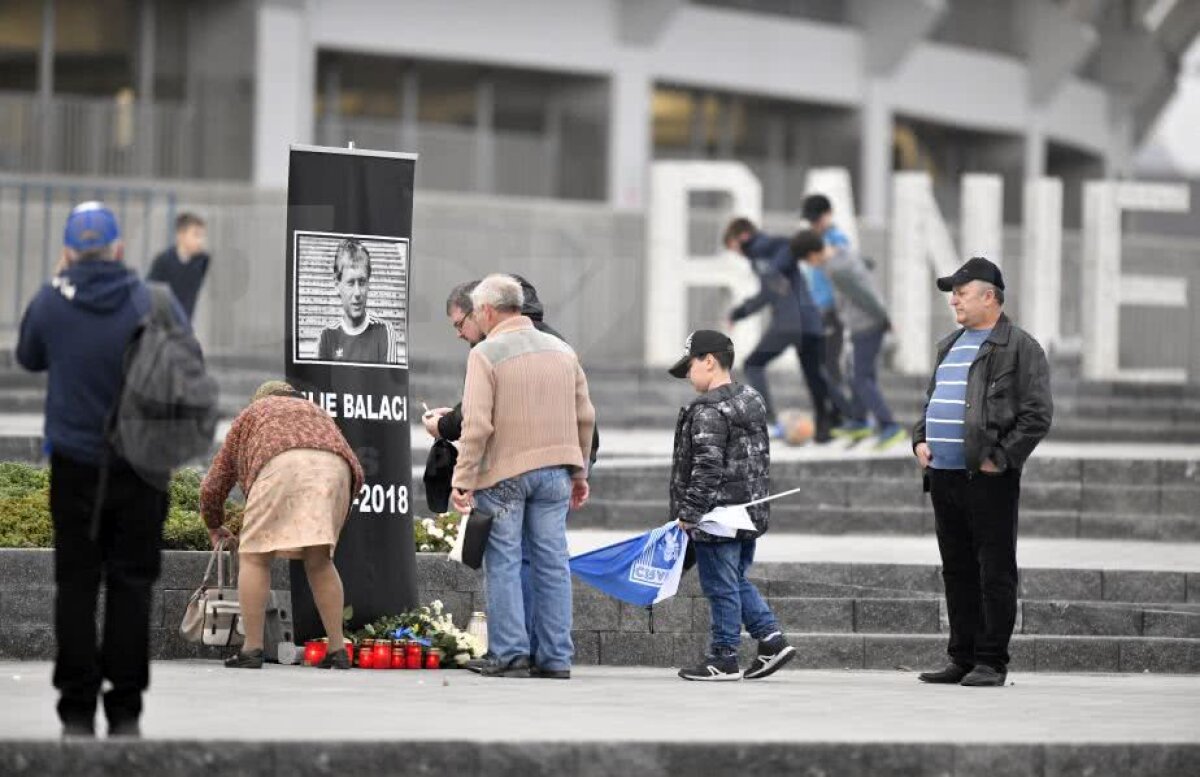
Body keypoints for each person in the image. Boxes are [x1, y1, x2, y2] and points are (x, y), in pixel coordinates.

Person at [16, 201, 189, 738]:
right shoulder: (152, 300)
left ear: (68, 251)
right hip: (140, 467)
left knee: (75, 584)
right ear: (117, 249)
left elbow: (28, 356)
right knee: (131, 585)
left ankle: (74, 708)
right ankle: (125, 710)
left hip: (74, 467)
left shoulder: (50, 300)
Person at [912, 257, 1052, 688]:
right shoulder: (949, 344)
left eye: (961, 291)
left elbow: (1037, 415)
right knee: (956, 569)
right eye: (952, 292)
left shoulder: (1019, 347)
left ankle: (991, 660)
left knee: (994, 569)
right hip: (945, 478)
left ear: (989, 296)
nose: (953, 299)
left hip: (988, 478)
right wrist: (919, 439)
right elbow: (932, 402)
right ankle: (962, 656)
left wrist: (1002, 458)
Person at [450, 274, 595, 679]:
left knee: (505, 562)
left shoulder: (486, 354)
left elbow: (477, 424)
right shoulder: (563, 350)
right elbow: (586, 416)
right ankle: (555, 658)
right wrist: (579, 472)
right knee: (552, 563)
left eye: (477, 313)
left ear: (489, 311)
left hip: (505, 474)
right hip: (555, 475)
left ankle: (511, 652)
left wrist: (462, 479)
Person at [201, 381, 364, 670]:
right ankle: (338, 649)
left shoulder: (254, 413)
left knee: (254, 555)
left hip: (281, 463)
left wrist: (214, 524)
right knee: (320, 560)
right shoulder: (316, 412)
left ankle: (252, 649)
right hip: (337, 470)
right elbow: (355, 469)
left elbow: (215, 482)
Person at [667, 330, 795, 681]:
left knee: (719, 586)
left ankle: (723, 657)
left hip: (717, 516)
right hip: (748, 512)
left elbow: (707, 468)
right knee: (734, 579)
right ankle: (770, 640)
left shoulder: (708, 409)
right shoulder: (751, 398)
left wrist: (690, 513)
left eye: (690, 365)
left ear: (708, 361)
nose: (689, 375)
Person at [725, 217, 848, 443]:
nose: (737, 254)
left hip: (790, 322)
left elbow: (789, 248)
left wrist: (773, 272)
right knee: (816, 376)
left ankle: (768, 422)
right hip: (809, 322)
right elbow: (766, 294)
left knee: (754, 363)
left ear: (742, 237)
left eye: (734, 248)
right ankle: (840, 420)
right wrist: (739, 312)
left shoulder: (765, 248)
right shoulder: (764, 254)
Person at [792, 230, 906, 449]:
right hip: (864, 323)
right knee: (857, 372)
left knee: (862, 377)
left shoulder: (836, 269)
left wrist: (885, 318)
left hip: (867, 324)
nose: (811, 266)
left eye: (808, 261)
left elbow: (864, 294)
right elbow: (866, 266)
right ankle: (860, 421)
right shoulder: (842, 253)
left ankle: (890, 426)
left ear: (813, 254)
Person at [800, 193, 850, 411]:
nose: (814, 224)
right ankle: (829, 413)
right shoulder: (814, 237)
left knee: (830, 364)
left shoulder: (837, 238)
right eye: (811, 220)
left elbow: (843, 257)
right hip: (816, 309)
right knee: (818, 364)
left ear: (828, 215)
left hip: (833, 309)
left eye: (817, 219)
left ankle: (840, 413)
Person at [316, 238, 401, 364]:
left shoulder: (384, 332)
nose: (357, 293)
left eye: (362, 282)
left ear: (368, 284)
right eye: (350, 283)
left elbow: (386, 383)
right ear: (337, 285)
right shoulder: (327, 336)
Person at [147, 212, 210, 321]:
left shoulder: (203, 260)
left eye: (202, 236)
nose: (201, 241)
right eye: (196, 235)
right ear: (181, 235)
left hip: (185, 324)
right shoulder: (164, 260)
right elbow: (151, 291)